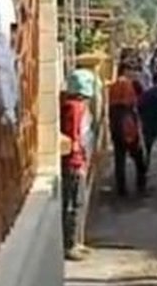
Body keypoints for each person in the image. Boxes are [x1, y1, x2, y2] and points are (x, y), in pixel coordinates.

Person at [61, 70, 95, 261]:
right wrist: (80, 159)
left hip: (77, 160)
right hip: (75, 162)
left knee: (77, 202)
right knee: (74, 202)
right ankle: (70, 244)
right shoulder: (75, 108)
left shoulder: (75, 106)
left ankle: (75, 242)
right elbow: (75, 136)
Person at [107, 64, 147, 197]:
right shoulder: (128, 85)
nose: (133, 73)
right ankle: (141, 185)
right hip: (127, 124)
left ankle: (121, 189)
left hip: (115, 124)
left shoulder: (113, 87)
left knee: (120, 159)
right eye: (131, 70)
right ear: (125, 71)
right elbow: (133, 104)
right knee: (138, 157)